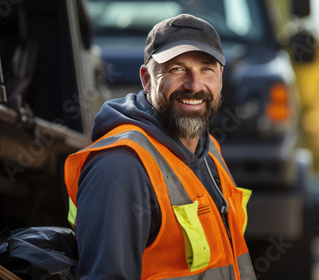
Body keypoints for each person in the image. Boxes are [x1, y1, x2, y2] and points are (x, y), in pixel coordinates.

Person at [65, 14, 256, 280]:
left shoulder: (209, 151)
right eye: (177, 69)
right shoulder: (121, 166)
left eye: (206, 69)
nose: (194, 84)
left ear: (220, 77)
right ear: (146, 79)